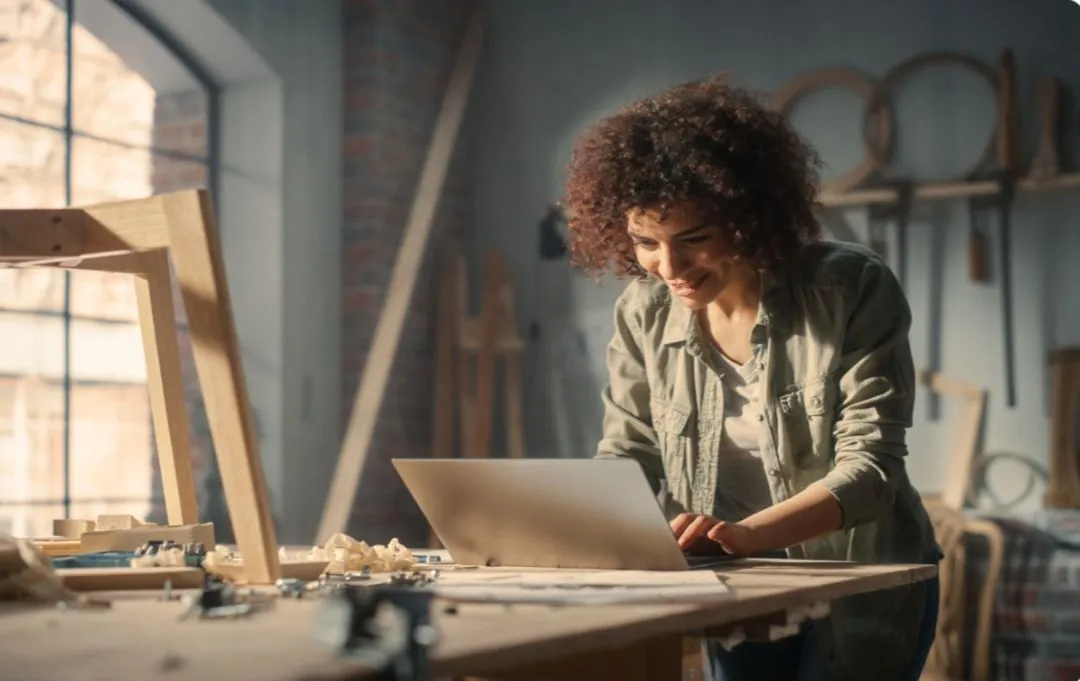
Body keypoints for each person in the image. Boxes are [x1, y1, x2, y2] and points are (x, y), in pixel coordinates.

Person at [561, 75, 942, 681]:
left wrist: (742, 535)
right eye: (645, 242)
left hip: (858, 582)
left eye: (694, 240)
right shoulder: (642, 309)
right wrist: (587, 526)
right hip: (735, 587)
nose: (670, 267)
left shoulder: (848, 288)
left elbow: (871, 470)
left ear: (747, 218)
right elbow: (628, 449)